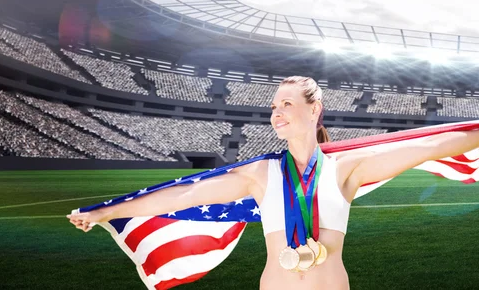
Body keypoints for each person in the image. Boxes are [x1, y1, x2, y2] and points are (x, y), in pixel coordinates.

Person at [67, 76, 479, 290]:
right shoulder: (260, 175)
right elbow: (182, 196)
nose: (277, 113)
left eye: (287, 104)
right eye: (273, 106)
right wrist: (105, 212)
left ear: (314, 109)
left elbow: (435, 146)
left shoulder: (346, 169)